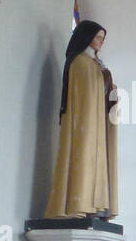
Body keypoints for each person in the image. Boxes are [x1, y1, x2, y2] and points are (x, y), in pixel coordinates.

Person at [43, 20, 119, 220]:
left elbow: (102, 94)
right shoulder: (80, 63)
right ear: (87, 37)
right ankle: (77, 205)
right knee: (81, 158)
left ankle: (95, 206)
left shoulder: (95, 65)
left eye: (103, 39)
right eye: (98, 38)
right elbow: (82, 96)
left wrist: (109, 85)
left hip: (96, 127)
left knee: (95, 162)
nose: (101, 42)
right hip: (83, 125)